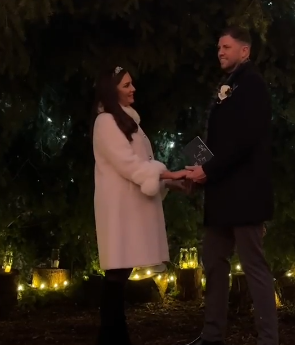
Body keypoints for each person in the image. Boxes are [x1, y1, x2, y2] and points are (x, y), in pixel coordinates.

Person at [183, 27, 278, 345]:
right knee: (212, 261)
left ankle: (268, 339)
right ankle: (212, 334)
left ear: (245, 51)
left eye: (226, 46)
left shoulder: (252, 85)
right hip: (221, 192)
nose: (220, 52)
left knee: (254, 266)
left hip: (245, 193)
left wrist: (207, 169)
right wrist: (200, 168)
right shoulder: (228, 85)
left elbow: (244, 141)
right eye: (218, 47)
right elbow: (222, 139)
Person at [92, 66, 189, 345]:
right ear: (112, 90)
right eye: (126, 85)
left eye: (132, 84)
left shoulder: (128, 121)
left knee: (120, 274)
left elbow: (143, 167)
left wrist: (170, 183)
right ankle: (112, 338)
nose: (133, 89)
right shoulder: (106, 122)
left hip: (130, 207)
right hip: (119, 209)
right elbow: (129, 165)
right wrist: (169, 174)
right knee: (116, 274)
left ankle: (113, 337)